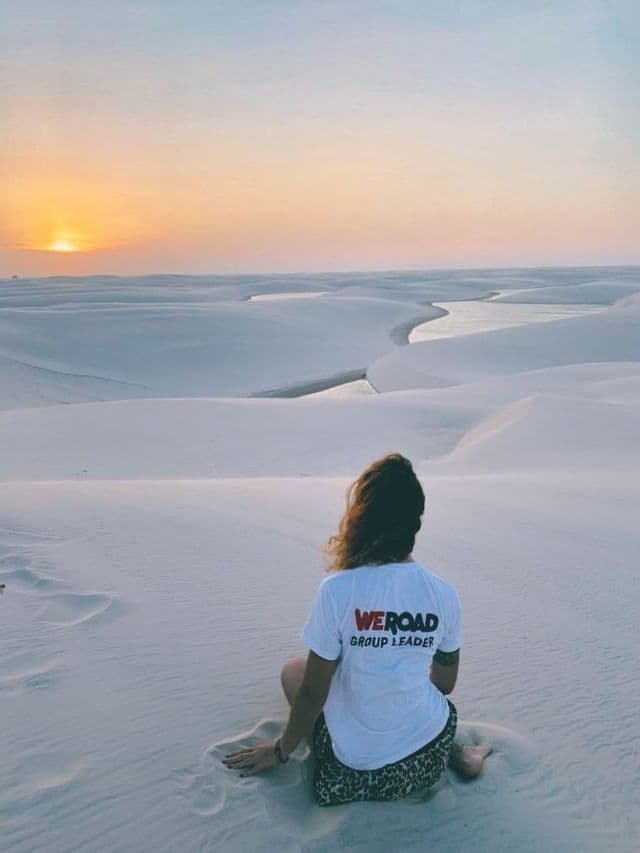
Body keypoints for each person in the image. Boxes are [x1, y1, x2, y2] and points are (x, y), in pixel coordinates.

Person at [223, 452, 490, 806]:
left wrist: (281, 751)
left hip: (349, 777)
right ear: (416, 523)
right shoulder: (444, 594)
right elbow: (444, 684)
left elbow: (312, 692)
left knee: (295, 671)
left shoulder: (338, 590)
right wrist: (396, 656)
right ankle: (461, 756)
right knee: (410, 694)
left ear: (361, 518)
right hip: (427, 760)